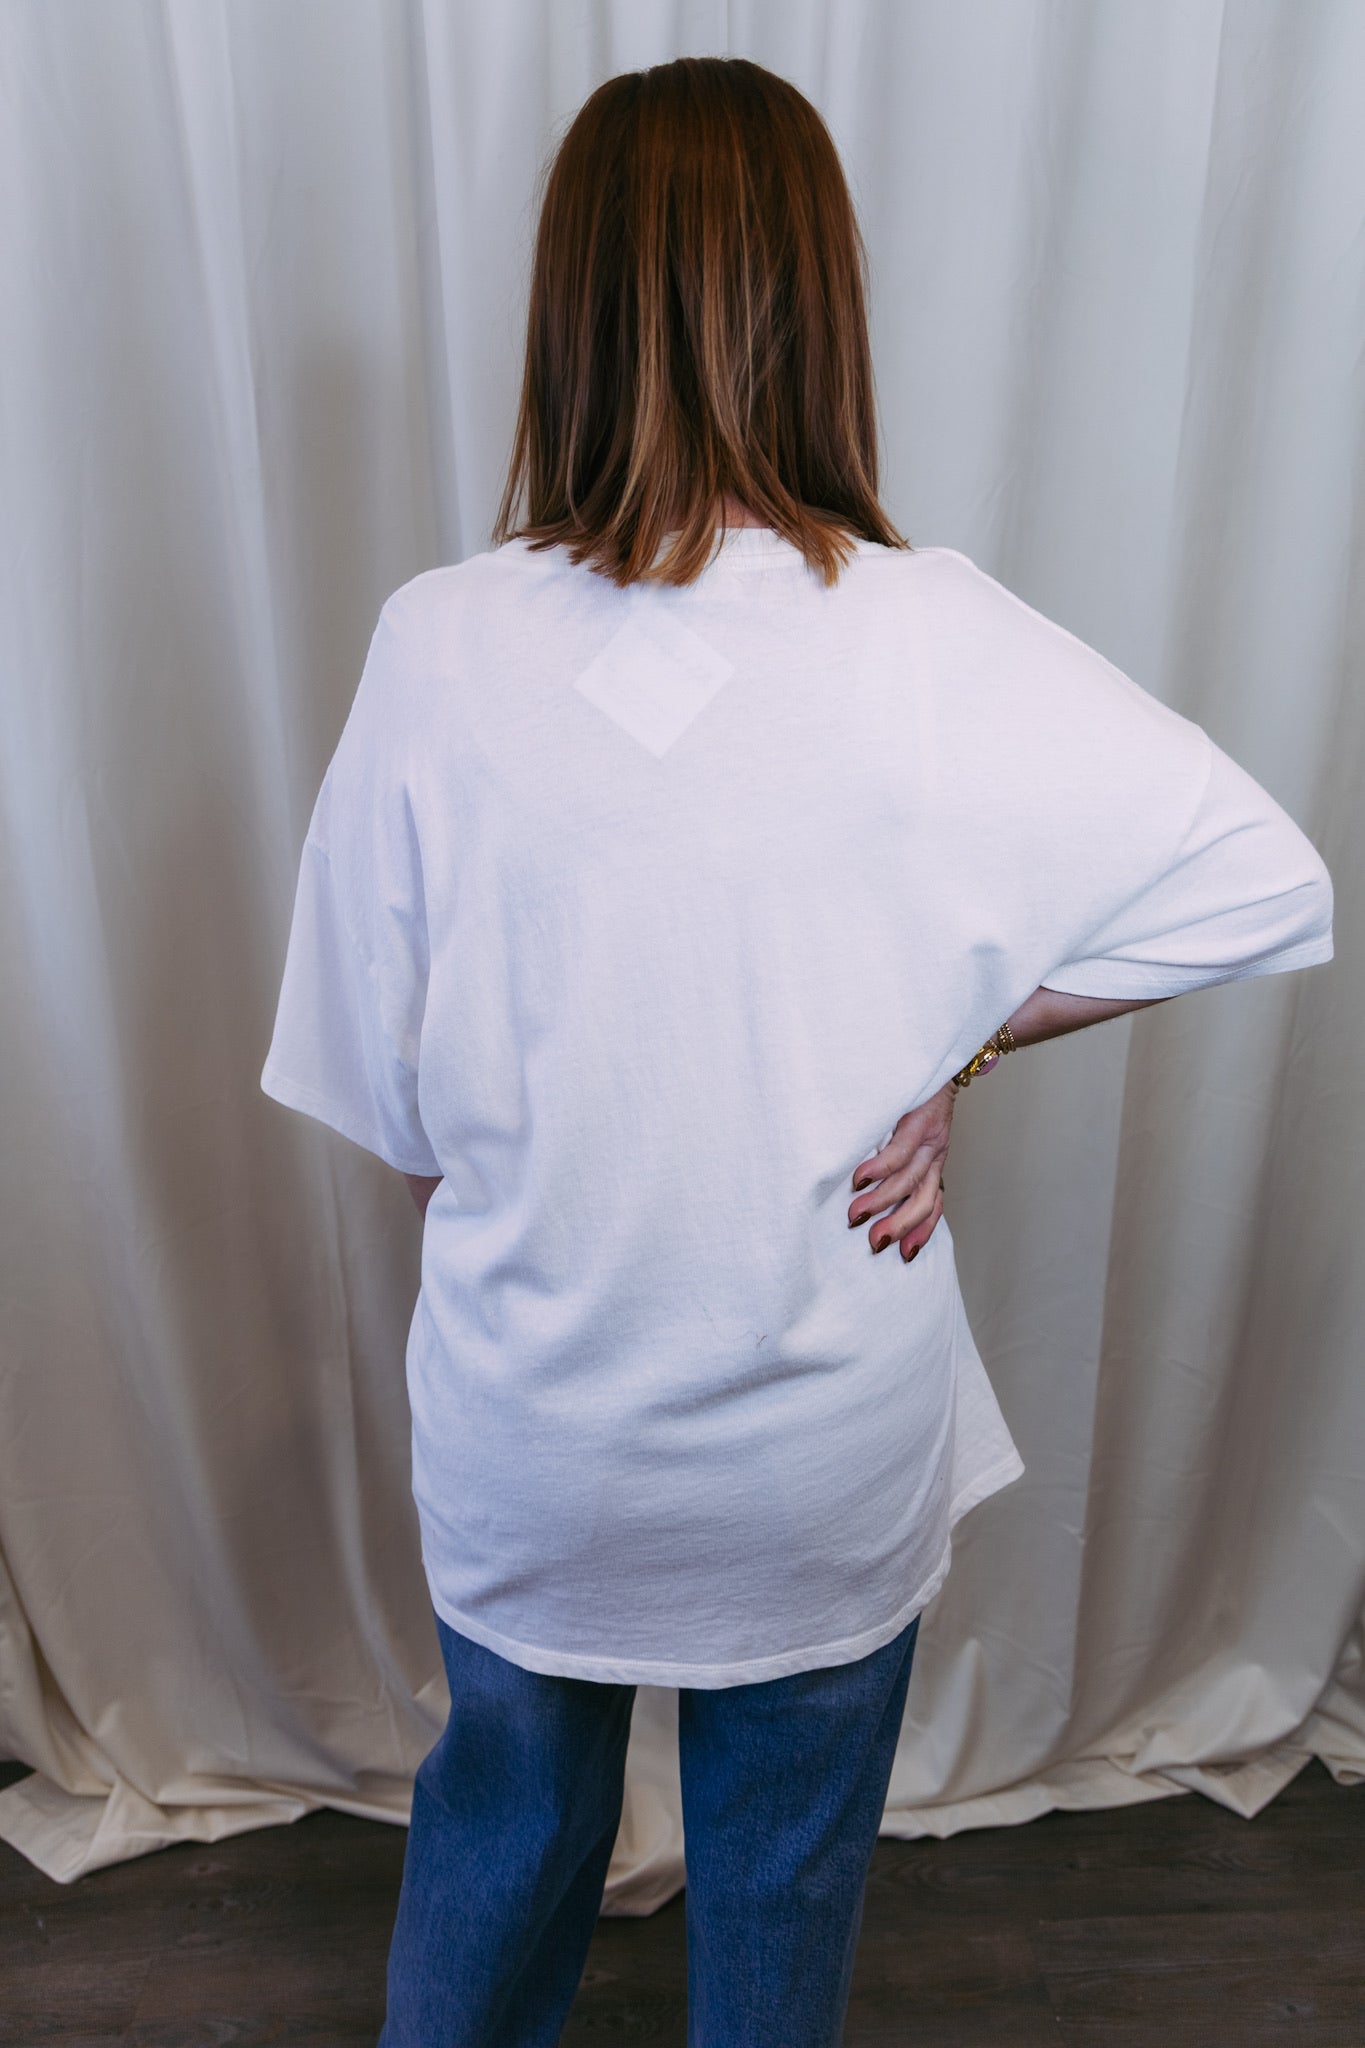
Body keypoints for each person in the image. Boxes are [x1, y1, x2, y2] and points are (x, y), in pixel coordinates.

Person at [260, 53, 1334, 2048]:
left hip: (535, 1439)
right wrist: (956, 1046)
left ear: (571, 309)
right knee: (776, 1893)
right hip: (813, 1438)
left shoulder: (438, 643)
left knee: (496, 1849)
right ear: (816, 304)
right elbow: (1265, 879)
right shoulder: (931, 633)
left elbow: (395, 1106)